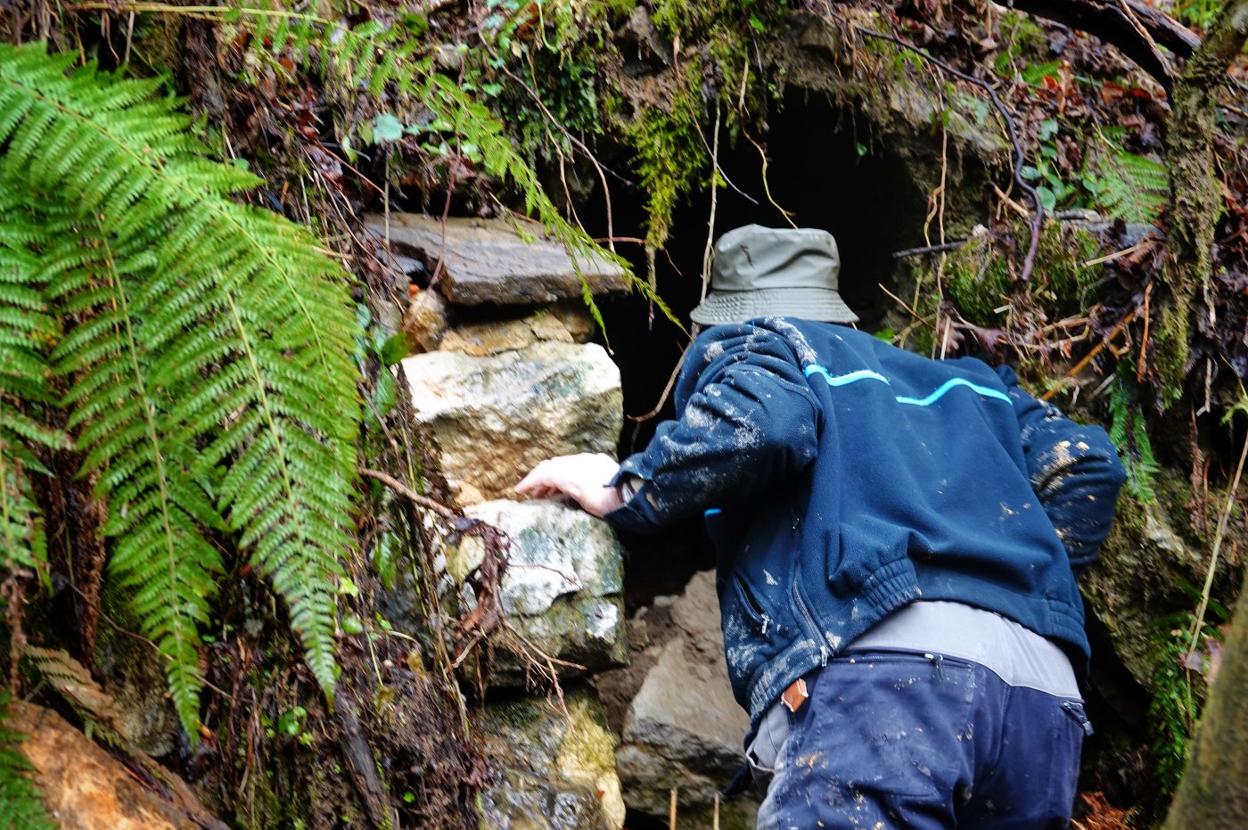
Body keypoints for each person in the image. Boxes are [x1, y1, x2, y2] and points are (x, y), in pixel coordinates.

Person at [516, 224, 1126, 829]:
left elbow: (770, 423)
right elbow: (1089, 466)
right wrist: (1004, 585)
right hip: (1043, 703)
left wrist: (628, 486)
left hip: (896, 685)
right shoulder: (975, 384)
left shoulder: (767, 344)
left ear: (725, 318)